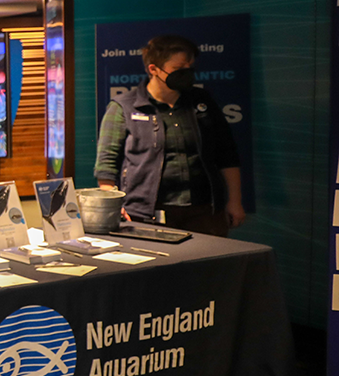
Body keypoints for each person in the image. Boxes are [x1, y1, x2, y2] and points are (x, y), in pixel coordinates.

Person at [94, 34, 244, 235]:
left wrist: (235, 201)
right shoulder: (124, 107)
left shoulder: (202, 102)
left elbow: (227, 153)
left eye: (190, 67)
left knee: (208, 265)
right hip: (145, 214)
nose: (187, 73)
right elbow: (106, 163)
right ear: (153, 69)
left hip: (205, 211)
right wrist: (113, 202)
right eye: (178, 69)